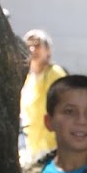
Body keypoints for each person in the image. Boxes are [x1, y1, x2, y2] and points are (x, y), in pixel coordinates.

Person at [19, 29, 66, 162]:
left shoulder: (55, 74)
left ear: (48, 50)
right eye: (29, 45)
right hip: (32, 145)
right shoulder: (27, 78)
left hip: (52, 145)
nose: (33, 49)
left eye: (38, 45)